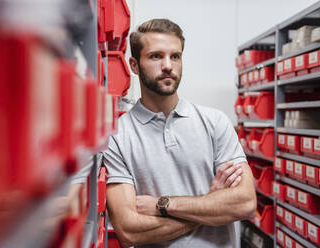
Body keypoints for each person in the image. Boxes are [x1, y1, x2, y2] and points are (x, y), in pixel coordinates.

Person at [103, 18, 256, 248]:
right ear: (134, 65)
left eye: (175, 56)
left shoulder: (215, 122)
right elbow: (128, 230)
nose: (168, 65)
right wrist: (210, 202)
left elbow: (245, 203)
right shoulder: (117, 137)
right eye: (156, 56)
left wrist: (162, 205)